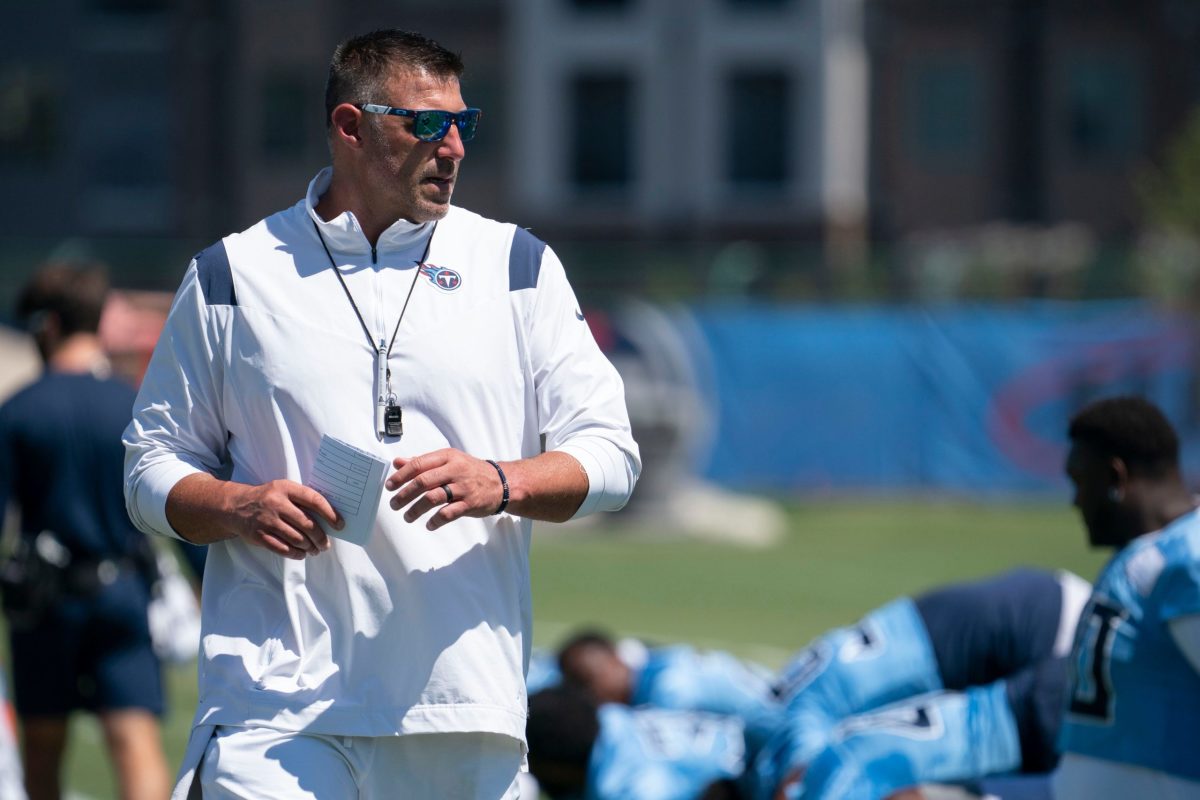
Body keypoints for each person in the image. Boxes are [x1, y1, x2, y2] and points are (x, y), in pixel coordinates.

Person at [122, 28, 640, 800]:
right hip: (276, 708)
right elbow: (147, 468)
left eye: (466, 123)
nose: (455, 147)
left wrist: (502, 480)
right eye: (427, 124)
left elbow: (612, 457)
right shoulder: (232, 273)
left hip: (461, 708)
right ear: (350, 126)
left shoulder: (517, 266)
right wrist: (238, 505)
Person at [0, 263, 172, 800]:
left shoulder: (20, 411)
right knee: (135, 740)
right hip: (123, 588)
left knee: (44, 748)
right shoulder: (133, 406)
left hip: (44, 601)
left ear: (46, 325)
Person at [1053, 396, 1200, 798]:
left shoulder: (1188, 557)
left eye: (1081, 481)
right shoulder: (1147, 553)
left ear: (1116, 478)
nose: (1076, 501)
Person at [558, 629, 774, 719]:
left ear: (614, 659)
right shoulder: (657, 665)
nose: (589, 694)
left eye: (589, 680)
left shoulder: (666, 692)